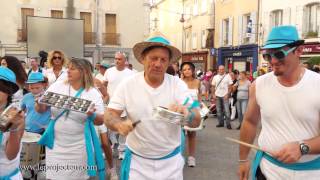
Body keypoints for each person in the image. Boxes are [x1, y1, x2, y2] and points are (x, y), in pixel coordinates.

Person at [104, 32, 201, 180]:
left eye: (163, 59)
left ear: (169, 63)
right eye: (153, 58)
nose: (158, 64)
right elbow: (110, 115)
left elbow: (197, 119)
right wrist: (118, 125)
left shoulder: (177, 85)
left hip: (171, 162)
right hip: (137, 162)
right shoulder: (128, 85)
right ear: (143, 59)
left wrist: (188, 114)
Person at [238, 25, 320, 180]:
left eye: (279, 54)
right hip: (267, 171)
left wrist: (302, 147)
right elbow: (249, 122)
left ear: (299, 51)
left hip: (310, 174)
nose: (273, 61)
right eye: (267, 55)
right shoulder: (259, 85)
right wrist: (243, 160)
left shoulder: (317, 84)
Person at [35, 58, 106, 180]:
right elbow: (41, 109)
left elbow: (100, 120)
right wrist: (39, 104)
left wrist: (92, 115)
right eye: (68, 68)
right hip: (55, 145)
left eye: (72, 69)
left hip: (79, 147)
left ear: (83, 72)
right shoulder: (57, 86)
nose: (68, 71)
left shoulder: (93, 93)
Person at [103, 51, 134, 160]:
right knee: (108, 129)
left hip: (125, 106)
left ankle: (122, 150)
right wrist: (105, 99)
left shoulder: (130, 74)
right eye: (115, 58)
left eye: (119, 59)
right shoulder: (109, 71)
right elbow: (104, 85)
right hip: (111, 105)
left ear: (125, 61)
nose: (116, 61)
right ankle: (109, 149)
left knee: (122, 129)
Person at [0, 67, 25, 180]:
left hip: (7, 175)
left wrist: (14, 129)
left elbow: (11, 155)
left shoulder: (15, 115)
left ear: (8, 91)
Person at [180, 61, 201, 167]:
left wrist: (199, 108)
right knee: (180, 135)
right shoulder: (179, 82)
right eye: (184, 69)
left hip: (194, 111)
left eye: (188, 69)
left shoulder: (198, 82)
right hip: (182, 111)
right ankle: (179, 156)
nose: (186, 71)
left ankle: (191, 158)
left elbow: (199, 97)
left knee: (192, 135)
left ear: (192, 70)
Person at [211, 65, 233, 129]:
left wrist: (228, 94)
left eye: (222, 69)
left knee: (227, 111)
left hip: (225, 96)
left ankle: (228, 124)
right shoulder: (215, 77)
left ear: (224, 70)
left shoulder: (228, 76)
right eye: (220, 69)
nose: (221, 70)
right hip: (217, 95)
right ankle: (221, 123)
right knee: (218, 111)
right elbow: (212, 86)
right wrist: (213, 94)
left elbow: (230, 86)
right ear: (218, 70)